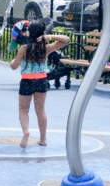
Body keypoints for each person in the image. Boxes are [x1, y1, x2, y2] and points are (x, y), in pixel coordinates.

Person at [9, 19, 69, 148]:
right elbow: (66, 39)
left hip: (26, 80)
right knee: (40, 110)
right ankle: (43, 139)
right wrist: (49, 36)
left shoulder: (24, 48)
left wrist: (14, 60)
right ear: (42, 33)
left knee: (23, 109)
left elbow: (14, 66)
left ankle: (26, 132)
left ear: (30, 33)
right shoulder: (46, 48)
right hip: (41, 80)